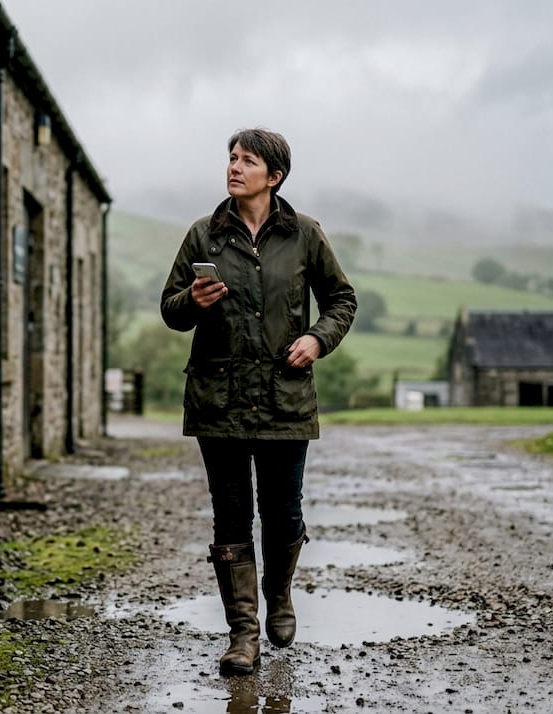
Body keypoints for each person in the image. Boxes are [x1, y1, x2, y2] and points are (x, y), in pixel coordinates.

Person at [160, 128, 357, 676]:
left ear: (274, 176)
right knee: (230, 518)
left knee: (283, 510)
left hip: (284, 400)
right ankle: (242, 633)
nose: (234, 166)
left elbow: (342, 298)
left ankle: (279, 595)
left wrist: (318, 338)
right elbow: (170, 309)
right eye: (231, 158)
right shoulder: (204, 234)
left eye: (247, 161)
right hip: (218, 401)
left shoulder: (306, 235)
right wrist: (192, 300)